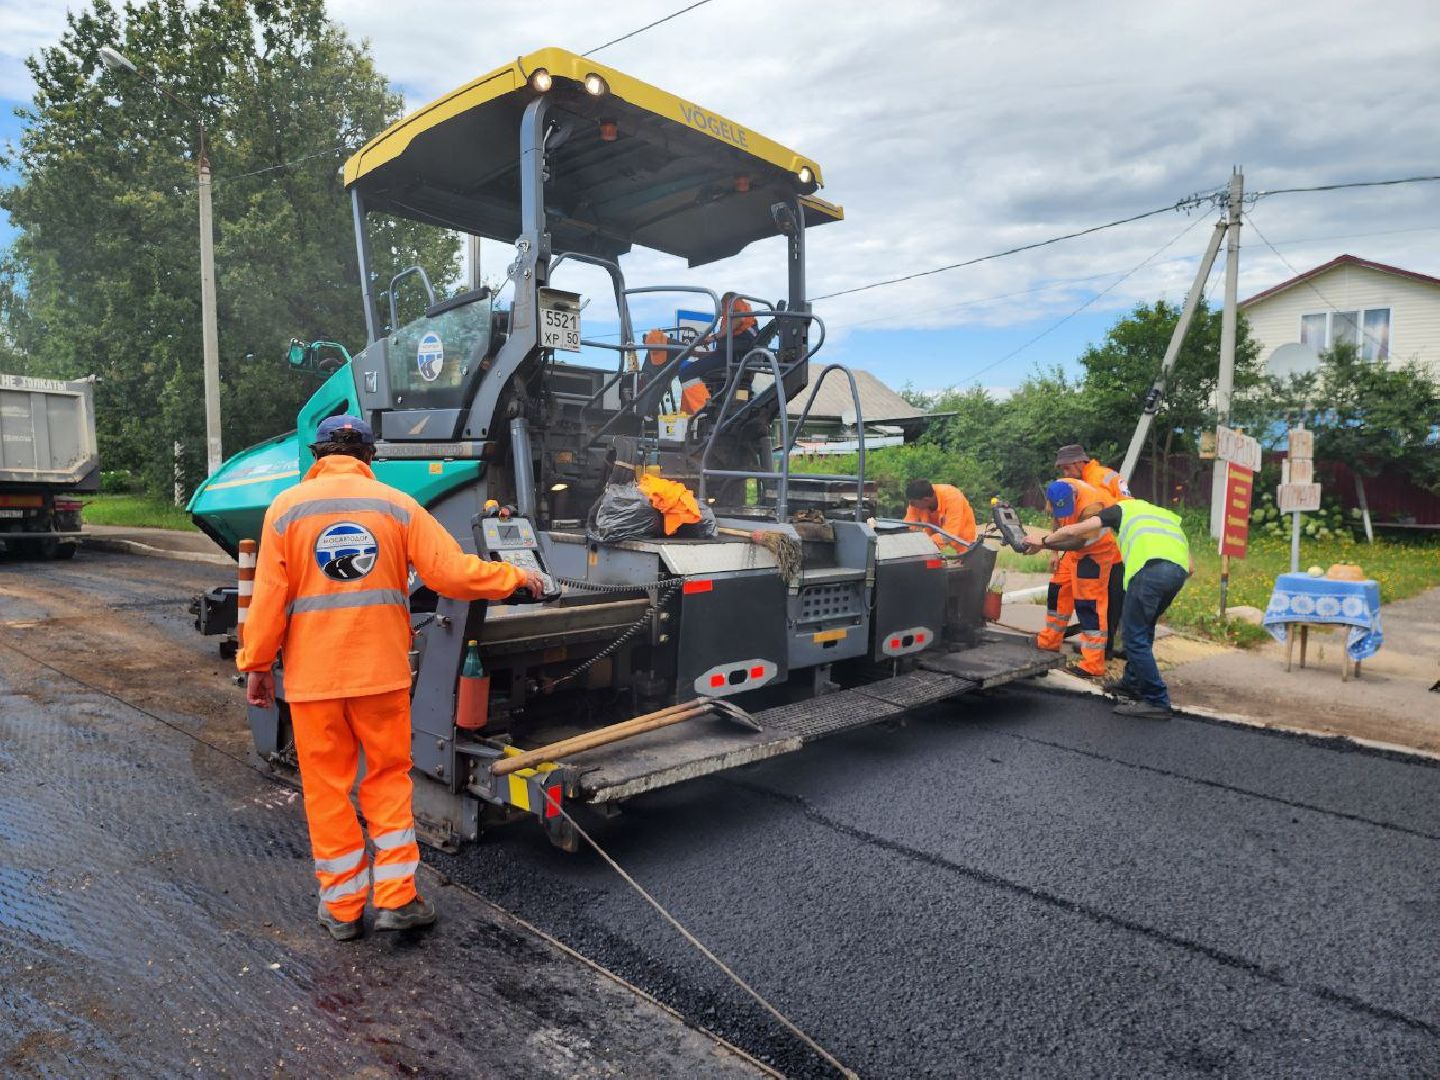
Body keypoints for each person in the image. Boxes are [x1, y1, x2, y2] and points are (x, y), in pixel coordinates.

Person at [237, 415, 546, 940]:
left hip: (315, 683)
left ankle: (341, 910)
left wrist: (257, 666)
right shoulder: (397, 506)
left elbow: (267, 601)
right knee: (385, 782)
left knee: (328, 791)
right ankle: (397, 900)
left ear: (317, 456)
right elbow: (452, 573)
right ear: (368, 457)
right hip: (380, 676)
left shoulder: (285, 511)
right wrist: (519, 577)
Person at [1027, 495, 1192, 719]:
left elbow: (1077, 530)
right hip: (1176, 574)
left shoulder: (1121, 509)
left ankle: (1157, 701)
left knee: (1133, 636)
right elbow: (1191, 566)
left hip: (1149, 572)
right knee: (1144, 630)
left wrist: (1044, 541)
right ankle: (1132, 683)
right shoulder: (1166, 517)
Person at [1034, 478, 1119, 679]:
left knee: (1089, 605)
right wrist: (1054, 553)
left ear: (1074, 495)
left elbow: (1078, 542)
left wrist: (1044, 544)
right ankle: (1049, 641)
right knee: (1057, 589)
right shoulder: (1059, 488)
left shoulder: (1092, 506)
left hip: (1094, 552)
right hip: (1073, 551)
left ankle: (1093, 664)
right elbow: (1057, 521)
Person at [1056, 443, 1130, 657]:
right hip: (1106, 548)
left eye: (1067, 468)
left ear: (1080, 462)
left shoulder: (1099, 479)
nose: (1065, 473)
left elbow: (1124, 509)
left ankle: (1102, 650)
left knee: (1104, 600)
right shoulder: (1097, 477)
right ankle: (1104, 647)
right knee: (1108, 600)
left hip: (1108, 549)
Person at [678, 292, 759, 415]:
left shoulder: (733, 302)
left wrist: (713, 337)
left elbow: (738, 319)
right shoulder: (744, 328)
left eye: (721, 307)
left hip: (730, 358)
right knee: (736, 391)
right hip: (734, 358)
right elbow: (720, 352)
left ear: (724, 302)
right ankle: (720, 408)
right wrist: (698, 355)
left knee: (686, 372)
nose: (720, 314)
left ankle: (701, 411)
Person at [903, 478, 977, 552]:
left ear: (926, 500)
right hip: (935, 542)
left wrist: (924, 543)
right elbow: (909, 525)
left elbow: (949, 535)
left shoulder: (953, 497)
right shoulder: (918, 499)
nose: (911, 505)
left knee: (960, 559)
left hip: (961, 542)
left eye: (912, 503)